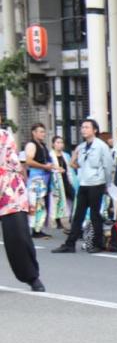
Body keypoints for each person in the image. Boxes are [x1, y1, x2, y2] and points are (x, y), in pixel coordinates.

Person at [53, 118, 113, 253]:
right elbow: (76, 165)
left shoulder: (101, 146)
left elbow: (108, 166)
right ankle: (70, 244)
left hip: (97, 183)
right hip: (84, 183)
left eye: (87, 127)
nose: (83, 130)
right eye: (82, 127)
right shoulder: (81, 147)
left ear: (95, 130)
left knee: (94, 214)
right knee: (78, 214)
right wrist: (73, 159)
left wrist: (107, 185)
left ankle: (98, 243)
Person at [1, 123, 45, 291]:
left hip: (9, 187)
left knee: (18, 234)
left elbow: (17, 164)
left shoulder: (5, 135)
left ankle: (32, 277)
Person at [23, 123, 58, 239]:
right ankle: (34, 229)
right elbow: (29, 161)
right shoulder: (31, 145)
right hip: (36, 177)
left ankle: (38, 228)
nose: (43, 134)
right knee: (35, 203)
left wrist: (53, 167)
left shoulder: (42, 145)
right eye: (41, 131)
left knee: (41, 204)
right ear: (34, 132)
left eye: (44, 131)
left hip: (43, 177)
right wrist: (44, 167)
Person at [49, 135, 72, 231]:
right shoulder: (50, 155)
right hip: (56, 181)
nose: (60, 144)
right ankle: (58, 220)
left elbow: (70, 168)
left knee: (71, 198)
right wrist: (57, 170)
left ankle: (70, 218)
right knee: (57, 200)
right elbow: (49, 167)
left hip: (66, 179)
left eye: (61, 142)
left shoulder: (66, 155)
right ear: (53, 144)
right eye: (57, 142)